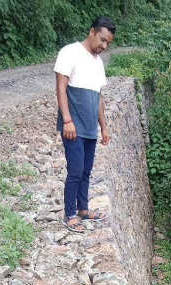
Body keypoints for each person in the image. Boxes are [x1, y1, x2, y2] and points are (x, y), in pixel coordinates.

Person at [54, 16, 116, 232]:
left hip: (90, 127)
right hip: (73, 127)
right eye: (102, 40)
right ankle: (69, 214)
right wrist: (67, 121)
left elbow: (98, 97)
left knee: (86, 170)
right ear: (91, 32)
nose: (104, 46)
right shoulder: (70, 53)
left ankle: (83, 209)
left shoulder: (98, 63)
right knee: (75, 170)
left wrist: (103, 127)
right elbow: (61, 88)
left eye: (108, 42)